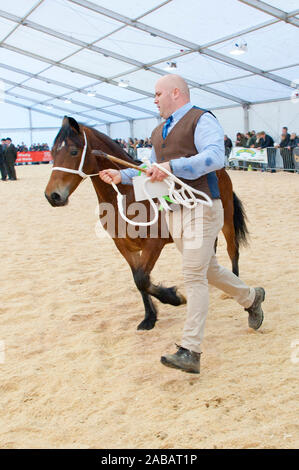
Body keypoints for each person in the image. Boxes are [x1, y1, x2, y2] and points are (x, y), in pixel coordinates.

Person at [99, 74, 265, 375]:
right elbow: (147, 170)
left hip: (202, 206)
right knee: (209, 269)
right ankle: (251, 297)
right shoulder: (157, 131)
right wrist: (121, 176)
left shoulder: (201, 120)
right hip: (173, 211)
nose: (154, 99)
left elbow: (215, 157)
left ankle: (191, 350)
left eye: (158, 94)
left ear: (176, 93)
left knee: (193, 275)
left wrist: (172, 166)